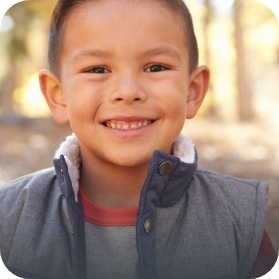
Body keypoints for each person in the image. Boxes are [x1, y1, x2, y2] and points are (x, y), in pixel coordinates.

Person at [0, 0, 277, 278]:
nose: (128, 91)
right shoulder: (10, 217)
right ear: (58, 95)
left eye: (156, 67)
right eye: (97, 69)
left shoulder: (238, 220)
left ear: (192, 91)